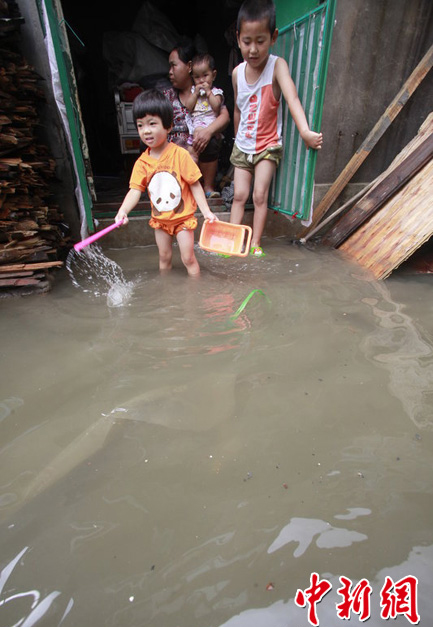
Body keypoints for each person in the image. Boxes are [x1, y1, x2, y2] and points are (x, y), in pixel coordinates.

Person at [230, 0, 323, 257]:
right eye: (247, 41)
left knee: (260, 196)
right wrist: (237, 139)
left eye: (260, 41)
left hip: (267, 145)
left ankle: (255, 242)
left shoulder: (277, 66)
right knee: (239, 195)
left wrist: (304, 131)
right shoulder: (237, 73)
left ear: (273, 37)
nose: (253, 49)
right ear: (238, 39)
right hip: (243, 145)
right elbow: (238, 108)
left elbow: (292, 98)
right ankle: (231, 240)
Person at [114, 89, 218, 277]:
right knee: (164, 257)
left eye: (152, 124)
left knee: (188, 258)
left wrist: (206, 212)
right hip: (160, 221)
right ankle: (166, 290)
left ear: (168, 126)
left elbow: (195, 184)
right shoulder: (142, 163)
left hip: (183, 219)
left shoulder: (180, 155)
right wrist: (123, 211)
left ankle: (196, 293)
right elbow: (134, 191)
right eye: (140, 125)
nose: (146, 131)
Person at [163, 41, 230, 196]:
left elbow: (224, 116)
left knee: (210, 144)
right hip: (177, 164)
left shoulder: (210, 93)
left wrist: (208, 132)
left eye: (174, 65)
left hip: (203, 152)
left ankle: (207, 187)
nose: (170, 72)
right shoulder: (167, 96)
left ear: (189, 66)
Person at [183, 53, 224, 198]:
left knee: (202, 149)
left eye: (205, 76)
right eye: (197, 77)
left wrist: (208, 92)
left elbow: (217, 106)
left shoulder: (216, 92)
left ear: (213, 75)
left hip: (210, 125)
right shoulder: (193, 92)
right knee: (191, 154)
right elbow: (188, 106)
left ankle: (207, 186)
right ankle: (193, 186)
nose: (201, 80)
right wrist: (194, 94)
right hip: (197, 125)